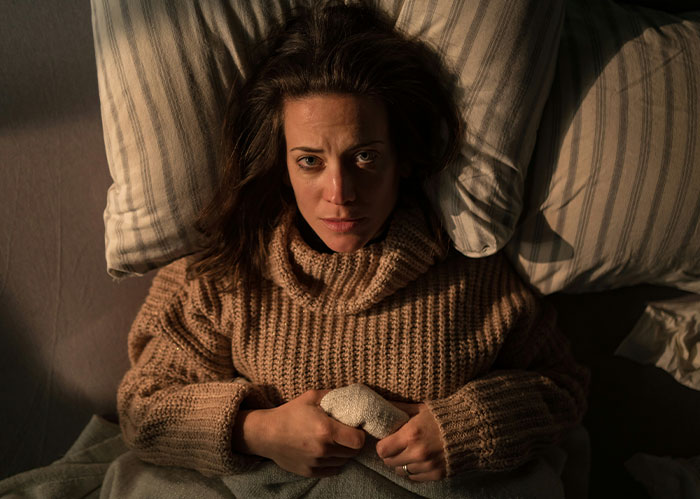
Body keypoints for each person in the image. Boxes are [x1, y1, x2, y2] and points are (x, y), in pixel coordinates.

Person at [117, 1, 589, 488]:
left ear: (402, 159)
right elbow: (142, 408)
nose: (340, 193)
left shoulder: (473, 279)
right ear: (282, 164)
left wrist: (463, 428)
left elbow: (563, 389)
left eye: (364, 156)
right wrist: (255, 430)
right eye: (309, 161)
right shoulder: (226, 278)